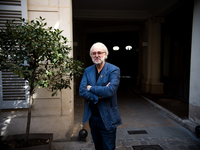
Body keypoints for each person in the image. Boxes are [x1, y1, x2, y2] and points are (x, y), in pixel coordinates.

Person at [79, 42, 122, 150]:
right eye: (94, 53)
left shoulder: (114, 70)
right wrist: (97, 97)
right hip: (93, 118)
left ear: (105, 54)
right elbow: (81, 91)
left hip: (108, 118)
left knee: (108, 147)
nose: (96, 55)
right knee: (98, 147)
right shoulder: (87, 70)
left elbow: (110, 91)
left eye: (99, 52)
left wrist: (91, 88)